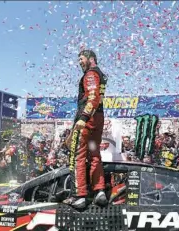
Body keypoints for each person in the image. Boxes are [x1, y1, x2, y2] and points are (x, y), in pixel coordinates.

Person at [64, 50, 108, 209]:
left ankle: (79, 196)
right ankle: (99, 191)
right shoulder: (101, 74)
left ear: (91, 59)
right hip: (98, 118)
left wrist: (83, 117)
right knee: (95, 154)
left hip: (87, 120)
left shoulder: (90, 74)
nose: (79, 62)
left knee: (78, 155)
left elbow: (93, 96)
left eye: (81, 59)